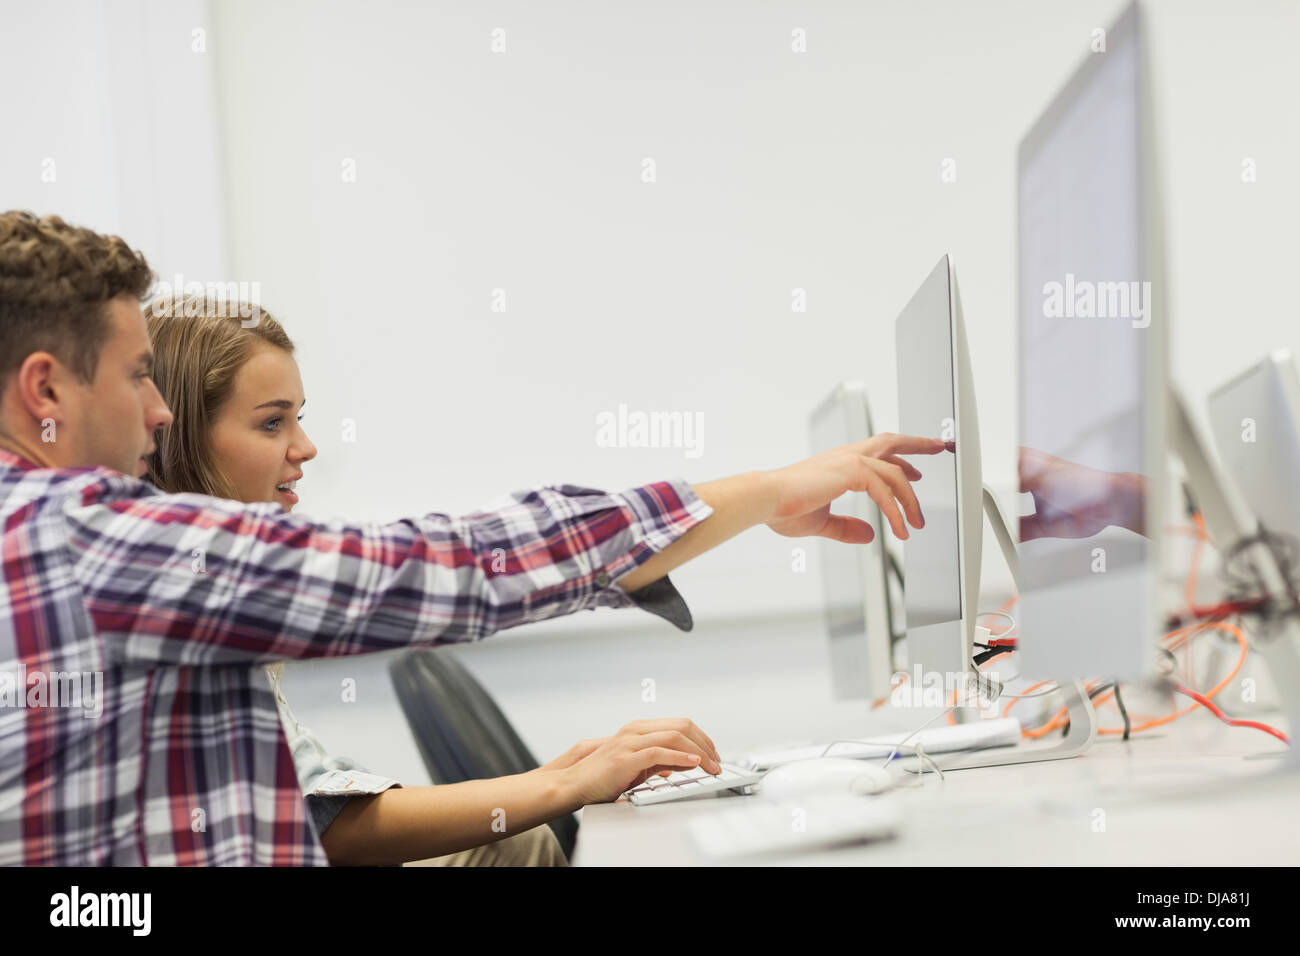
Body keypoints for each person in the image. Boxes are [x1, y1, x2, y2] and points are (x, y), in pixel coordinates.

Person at [0, 210, 941, 865]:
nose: (157, 411)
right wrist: (764, 491)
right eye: (134, 377)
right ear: (45, 392)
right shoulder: (81, 539)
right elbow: (436, 570)